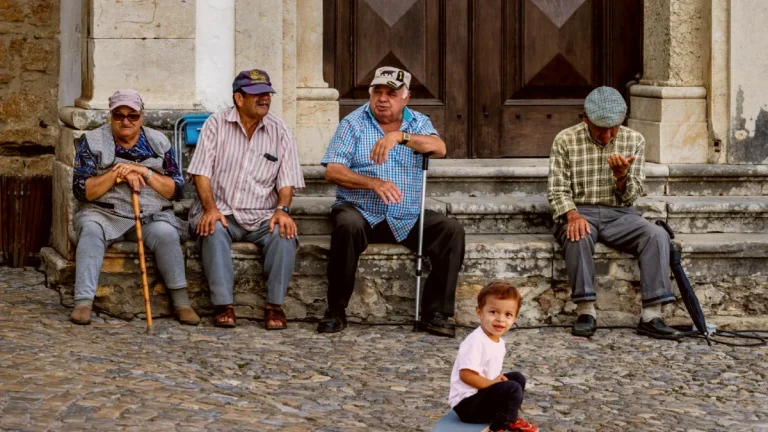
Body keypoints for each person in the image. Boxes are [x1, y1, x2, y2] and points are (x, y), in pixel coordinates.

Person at [316, 66, 465, 338]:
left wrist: (399, 137)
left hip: (406, 214)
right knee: (347, 225)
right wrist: (373, 183)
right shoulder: (353, 123)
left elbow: (439, 147)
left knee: (451, 230)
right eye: (378, 92)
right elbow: (333, 171)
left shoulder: (417, 122)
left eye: (391, 94)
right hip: (361, 211)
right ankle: (335, 310)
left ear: (406, 98)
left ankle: (436, 313)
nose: (383, 99)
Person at [547, 86, 681, 340]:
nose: (607, 136)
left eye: (613, 129)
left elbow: (631, 196)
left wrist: (621, 178)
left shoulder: (634, 140)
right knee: (577, 234)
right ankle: (586, 311)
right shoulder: (565, 139)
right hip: (580, 210)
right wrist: (572, 214)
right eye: (600, 129)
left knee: (656, 235)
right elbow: (557, 189)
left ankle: (651, 315)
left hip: (620, 213)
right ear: (585, 118)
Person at [186, 69, 305, 330]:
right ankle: (223, 306)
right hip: (223, 209)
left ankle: (274, 306)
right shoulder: (216, 124)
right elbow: (201, 173)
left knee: (285, 232)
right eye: (257, 94)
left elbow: (287, 181)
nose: (265, 98)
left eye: (267, 93)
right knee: (212, 228)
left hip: (262, 214)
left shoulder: (280, 130)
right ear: (238, 99)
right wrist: (210, 208)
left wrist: (282, 210)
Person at [70, 89, 199, 326]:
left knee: (167, 234)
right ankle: (83, 302)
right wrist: (116, 174)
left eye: (132, 116)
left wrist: (144, 172)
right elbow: (82, 190)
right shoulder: (93, 141)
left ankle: (182, 303)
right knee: (90, 231)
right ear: (111, 116)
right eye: (118, 115)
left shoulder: (158, 142)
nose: (126, 121)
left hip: (150, 213)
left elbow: (176, 189)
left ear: (142, 116)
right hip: (104, 212)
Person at [448, 281, 538, 432]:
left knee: (517, 378)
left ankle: (510, 418)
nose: (500, 319)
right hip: (467, 405)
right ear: (479, 312)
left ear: (515, 318)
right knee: (512, 388)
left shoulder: (499, 342)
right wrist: (492, 383)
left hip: (482, 395)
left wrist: (495, 382)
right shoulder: (475, 341)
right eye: (493, 312)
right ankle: (499, 427)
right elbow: (466, 376)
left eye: (508, 314)